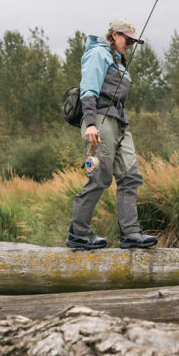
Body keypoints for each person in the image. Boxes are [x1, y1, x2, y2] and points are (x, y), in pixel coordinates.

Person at [66, 19, 158, 250]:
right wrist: (89, 124)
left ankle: (131, 233)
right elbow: (88, 90)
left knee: (131, 176)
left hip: (120, 123)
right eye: (127, 39)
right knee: (99, 177)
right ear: (115, 35)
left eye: (133, 41)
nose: (130, 44)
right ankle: (78, 233)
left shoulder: (119, 60)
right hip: (99, 119)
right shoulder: (98, 54)